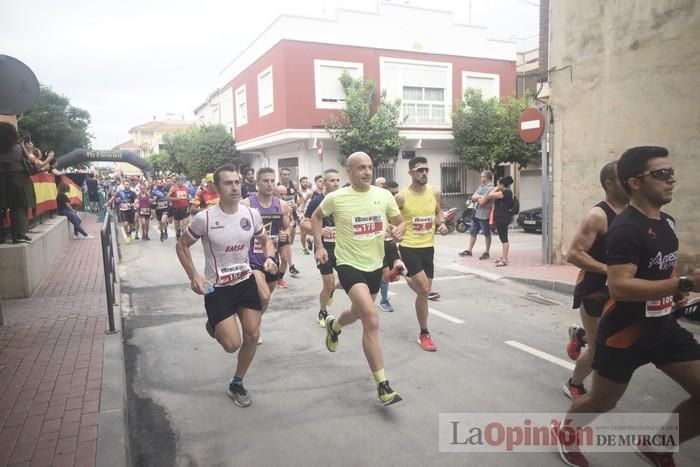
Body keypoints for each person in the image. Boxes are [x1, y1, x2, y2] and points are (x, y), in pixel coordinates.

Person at [556, 146, 700, 467]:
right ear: (635, 183)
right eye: (662, 174)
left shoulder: (668, 223)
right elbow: (620, 287)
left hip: (663, 327)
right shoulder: (623, 227)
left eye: (672, 172)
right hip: (625, 333)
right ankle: (567, 432)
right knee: (602, 401)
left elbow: (665, 268)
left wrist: (675, 292)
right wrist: (686, 284)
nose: (672, 179)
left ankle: (659, 446)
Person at [175, 164, 278, 408]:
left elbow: (265, 240)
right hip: (218, 288)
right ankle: (215, 325)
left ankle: (237, 382)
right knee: (232, 345)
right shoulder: (205, 218)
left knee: (252, 334)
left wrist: (270, 258)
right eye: (228, 183)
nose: (234, 187)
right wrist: (195, 276)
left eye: (237, 182)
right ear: (217, 188)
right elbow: (181, 246)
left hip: (244, 281)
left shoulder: (250, 215)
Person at [311, 152, 406, 406]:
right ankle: (383, 385)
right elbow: (316, 217)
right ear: (349, 172)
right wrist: (319, 245)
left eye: (370, 167)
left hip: (375, 266)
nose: (367, 172)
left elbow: (399, 222)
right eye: (361, 168)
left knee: (356, 312)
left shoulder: (384, 196)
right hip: (348, 265)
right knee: (371, 319)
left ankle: (335, 326)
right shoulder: (337, 198)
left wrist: (400, 229)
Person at [561, 162, 628, 402]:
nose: (632, 181)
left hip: (622, 290)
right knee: (601, 349)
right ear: (609, 183)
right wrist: (608, 270)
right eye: (625, 177)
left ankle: (581, 336)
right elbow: (574, 254)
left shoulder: (636, 212)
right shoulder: (598, 215)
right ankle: (574, 384)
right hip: (594, 290)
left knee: (618, 337)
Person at [395, 157, 447, 351]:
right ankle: (424, 333)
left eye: (426, 170)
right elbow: (390, 217)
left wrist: (441, 224)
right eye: (419, 170)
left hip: (428, 246)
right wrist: (395, 230)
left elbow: (436, 213)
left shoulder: (434, 192)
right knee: (424, 288)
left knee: (423, 291)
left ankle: (402, 273)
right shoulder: (401, 197)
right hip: (409, 246)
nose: (424, 173)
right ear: (411, 173)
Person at [240, 168, 290, 344]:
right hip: (252, 258)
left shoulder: (281, 205)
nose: (269, 184)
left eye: (272, 181)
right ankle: (254, 327)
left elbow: (288, 227)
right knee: (264, 296)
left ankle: (253, 322)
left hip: (271, 258)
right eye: (265, 181)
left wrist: (286, 234)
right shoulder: (246, 204)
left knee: (265, 297)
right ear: (257, 183)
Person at [301, 169, 341, 327]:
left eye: (338, 180)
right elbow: (304, 223)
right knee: (328, 282)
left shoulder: (343, 199)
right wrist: (317, 230)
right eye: (332, 180)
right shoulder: (317, 201)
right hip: (323, 248)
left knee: (349, 281)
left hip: (344, 249)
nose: (336, 183)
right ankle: (323, 311)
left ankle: (332, 289)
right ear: (324, 183)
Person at [0, 123, 36, 243]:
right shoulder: (18, 148)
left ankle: (1, 236)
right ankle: (19, 235)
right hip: (19, 182)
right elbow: (30, 165)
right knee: (19, 208)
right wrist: (27, 149)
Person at [377, 180, 403, 313]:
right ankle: (384, 301)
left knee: (395, 276)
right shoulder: (379, 203)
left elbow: (402, 224)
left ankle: (399, 268)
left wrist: (398, 233)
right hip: (378, 244)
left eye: (396, 192)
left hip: (391, 243)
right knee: (386, 275)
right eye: (392, 193)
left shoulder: (397, 205)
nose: (394, 195)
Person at [459, 170, 494, 259]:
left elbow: (482, 202)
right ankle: (469, 250)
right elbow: (473, 197)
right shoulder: (481, 186)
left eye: (482, 176)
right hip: (477, 213)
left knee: (486, 234)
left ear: (486, 178)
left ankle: (487, 252)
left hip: (484, 215)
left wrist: (478, 197)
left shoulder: (491, 188)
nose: (480, 178)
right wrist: (479, 196)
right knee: (473, 232)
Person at [486, 175, 515, 267]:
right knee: (502, 238)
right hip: (501, 218)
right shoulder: (506, 192)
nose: (497, 186)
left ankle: (505, 259)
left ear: (502, 185)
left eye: (498, 184)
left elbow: (489, 195)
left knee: (504, 239)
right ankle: (503, 257)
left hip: (503, 218)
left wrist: (496, 188)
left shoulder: (505, 192)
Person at [278, 168, 300, 277]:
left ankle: (289, 264)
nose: (286, 176)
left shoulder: (294, 185)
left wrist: (298, 205)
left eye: (288, 174)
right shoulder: (276, 186)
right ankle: (290, 265)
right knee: (285, 246)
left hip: (290, 216)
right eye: (284, 174)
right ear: (280, 175)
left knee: (289, 243)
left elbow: (301, 198)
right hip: (277, 224)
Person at [299, 175, 321, 255]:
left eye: (323, 181)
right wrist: (302, 211)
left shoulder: (325, 194)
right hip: (307, 215)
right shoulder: (311, 193)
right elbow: (304, 202)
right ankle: (304, 248)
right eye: (319, 181)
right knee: (303, 233)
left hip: (317, 216)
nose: (321, 183)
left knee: (316, 230)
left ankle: (311, 240)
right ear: (316, 183)